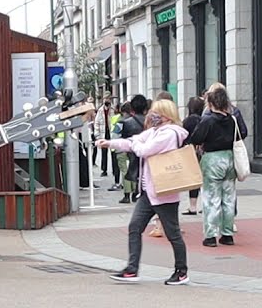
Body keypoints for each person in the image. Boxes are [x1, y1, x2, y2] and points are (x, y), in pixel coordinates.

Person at [99, 98, 190, 285]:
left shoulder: (170, 134)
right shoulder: (155, 132)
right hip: (149, 190)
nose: (152, 115)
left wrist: (132, 145)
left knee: (173, 233)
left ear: (166, 115)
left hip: (164, 191)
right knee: (135, 227)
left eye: (156, 112)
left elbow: (144, 150)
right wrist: (110, 143)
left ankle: (181, 271)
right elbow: (134, 141)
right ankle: (132, 269)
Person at [184, 86, 245, 247]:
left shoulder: (208, 120)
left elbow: (196, 138)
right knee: (229, 197)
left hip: (212, 159)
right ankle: (227, 233)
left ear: (210, 103)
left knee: (211, 198)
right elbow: (242, 133)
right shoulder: (232, 119)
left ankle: (210, 235)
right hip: (230, 158)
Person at [181, 96, 205, 215]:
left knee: (194, 180)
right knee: (205, 179)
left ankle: (193, 206)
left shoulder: (187, 121)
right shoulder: (204, 119)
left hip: (190, 152)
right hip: (203, 152)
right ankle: (205, 204)